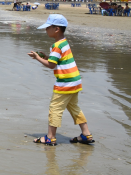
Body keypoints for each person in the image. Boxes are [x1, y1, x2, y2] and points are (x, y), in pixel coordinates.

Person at [27, 14, 93, 146]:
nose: (46, 30)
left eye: (48, 28)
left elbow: (51, 65)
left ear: (56, 29)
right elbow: (56, 61)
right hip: (75, 81)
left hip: (64, 83)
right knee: (74, 107)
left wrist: (37, 57)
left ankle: (50, 137)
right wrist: (46, 57)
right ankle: (86, 134)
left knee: (55, 108)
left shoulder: (56, 46)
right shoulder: (64, 43)